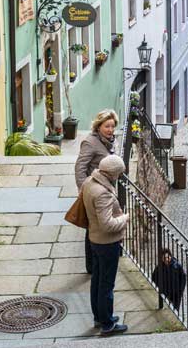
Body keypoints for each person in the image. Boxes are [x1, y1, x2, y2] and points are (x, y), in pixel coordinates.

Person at [82, 155, 129, 335]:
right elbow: (107, 224)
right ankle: (108, 324)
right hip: (106, 243)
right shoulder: (102, 192)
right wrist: (125, 218)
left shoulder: (89, 182)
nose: (119, 177)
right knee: (106, 285)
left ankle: (99, 317)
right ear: (112, 173)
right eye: (119, 174)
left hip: (94, 239)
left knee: (97, 281)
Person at [75, 109, 118, 275]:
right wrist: (84, 190)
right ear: (98, 126)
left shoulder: (109, 140)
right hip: (94, 191)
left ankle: (97, 262)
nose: (110, 130)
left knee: (98, 226)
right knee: (92, 228)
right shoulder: (90, 142)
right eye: (107, 126)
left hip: (105, 190)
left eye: (112, 126)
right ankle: (91, 265)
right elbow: (80, 168)